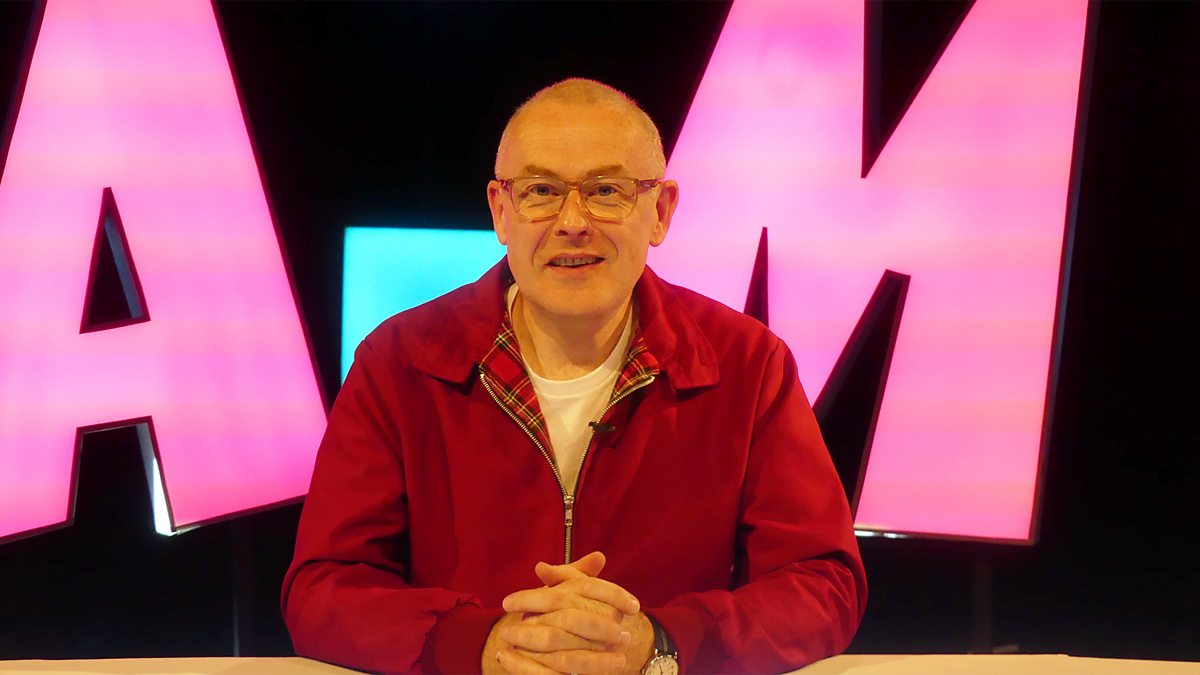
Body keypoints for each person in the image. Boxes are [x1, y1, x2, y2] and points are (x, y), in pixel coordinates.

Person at [282, 78, 866, 675]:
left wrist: (660, 643)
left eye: (606, 191)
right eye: (541, 191)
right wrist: (482, 646)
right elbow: (325, 588)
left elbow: (822, 583)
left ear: (661, 212)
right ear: (501, 211)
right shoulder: (398, 361)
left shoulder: (748, 363)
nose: (572, 222)